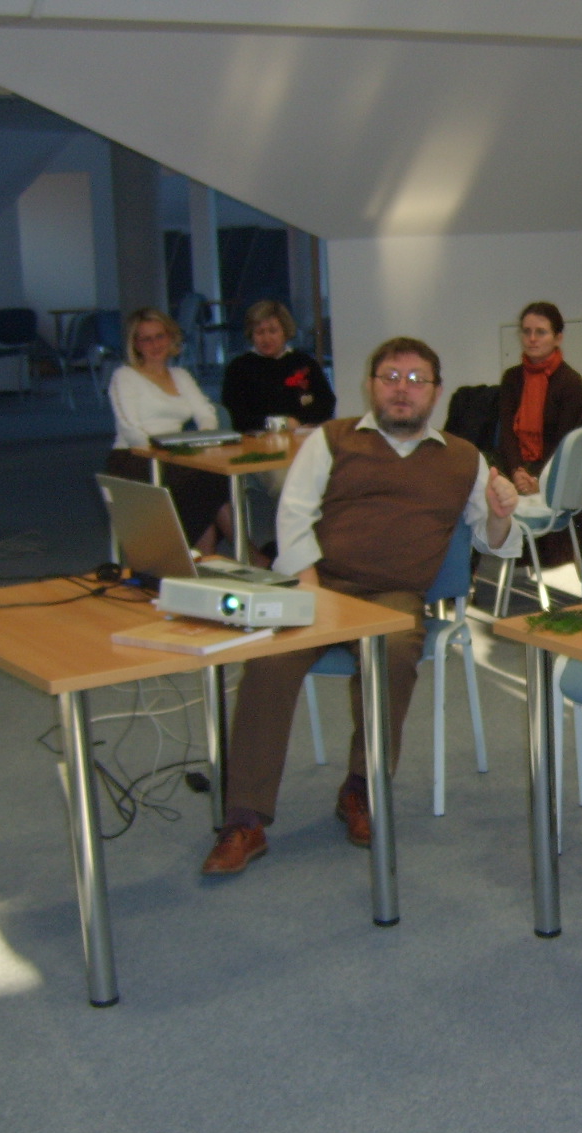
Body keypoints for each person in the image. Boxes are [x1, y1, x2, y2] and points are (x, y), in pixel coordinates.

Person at [200, 337, 522, 875]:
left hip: (396, 596)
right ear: (371, 385)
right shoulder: (332, 439)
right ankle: (245, 820)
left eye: (416, 380)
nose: (402, 390)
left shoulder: (463, 458)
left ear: (436, 391)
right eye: (390, 377)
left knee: (393, 651)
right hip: (321, 586)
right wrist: (308, 589)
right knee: (268, 660)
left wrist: (500, 513)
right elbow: (294, 516)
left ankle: (361, 789)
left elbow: (494, 541)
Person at [104, 308, 232, 550]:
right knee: (202, 481)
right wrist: (165, 453)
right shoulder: (125, 376)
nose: (155, 344)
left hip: (176, 454)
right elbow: (130, 429)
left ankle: (204, 557)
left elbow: (206, 413)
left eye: (159, 336)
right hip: (134, 456)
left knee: (213, 477)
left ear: (170, 338)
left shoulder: (180, 375)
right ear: (136, 344)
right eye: (146, 339)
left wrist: (203, 442)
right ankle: (234, 552)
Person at [497, 301, 582, 504]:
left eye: (541, 332)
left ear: (558, 338)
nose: (532, 339)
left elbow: (564, 443)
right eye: (526, 331)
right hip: (516, 464)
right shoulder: (512, 378)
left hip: (552, 468)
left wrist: (539, 480)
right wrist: (517, 471)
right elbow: (507, 432)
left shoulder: (570, 382)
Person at [220, 299, 336, 433]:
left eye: (273, 331)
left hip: (303, 434)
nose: (266, 338)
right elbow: (235, 416)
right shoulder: (238, 368)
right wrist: (280, 424)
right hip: (258, 439)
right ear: (251, 335)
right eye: (260, 332)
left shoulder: (304, 362)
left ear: (285, 332)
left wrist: (299, 421)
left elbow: (326, 403)